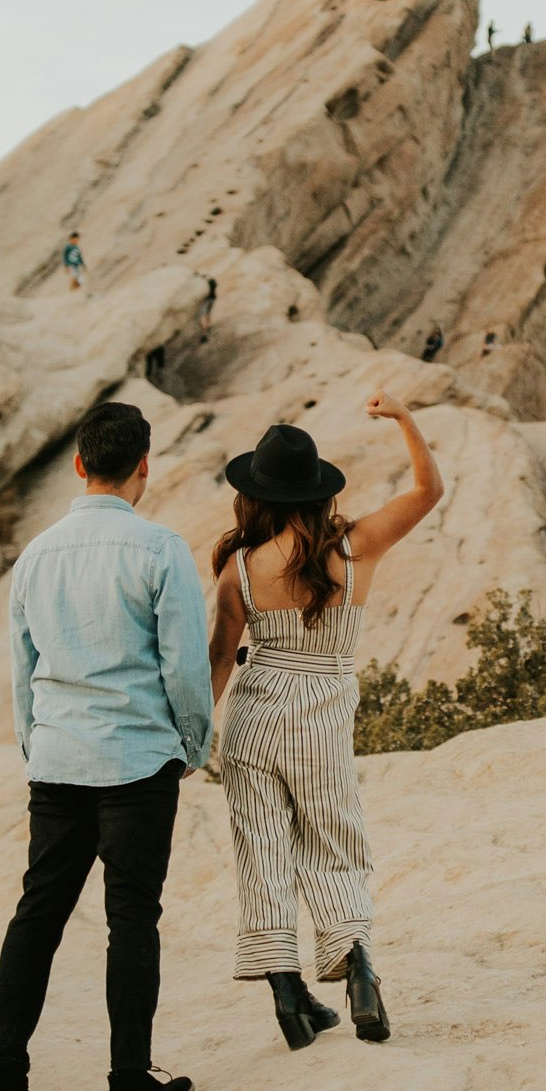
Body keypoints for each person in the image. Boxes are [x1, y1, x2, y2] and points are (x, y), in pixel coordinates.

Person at [0, 401, 213, 1091]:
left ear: (78, 464)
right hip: (138, 761)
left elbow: (23, 670)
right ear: (145, 465)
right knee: (131, 917)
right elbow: (182, 667)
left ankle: (2, 1076)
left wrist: (35, 747)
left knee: (37, 914)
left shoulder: (36, 555)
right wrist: (192, 745)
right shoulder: (160, 549)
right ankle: (129, 1083)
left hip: (60, 758)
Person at [207, 396, 443, 1050]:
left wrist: (193, 730)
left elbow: (220, 657)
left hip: (253, 714)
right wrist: (401, 418)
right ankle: (358, 971)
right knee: (333, 844)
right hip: (321, 715)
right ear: (315, 491)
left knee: (262, 849)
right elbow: (429, 489)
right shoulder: (355, 544)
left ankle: (289, 997)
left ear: (255, 494)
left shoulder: (239, 570)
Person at [198, 276, 218, 341]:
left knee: (200, 318)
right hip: (212, 298)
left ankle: (204, 334)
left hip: (206, 300)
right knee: (208, 313)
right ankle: (208, 326)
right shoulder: (212, 284)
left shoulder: (204, 287)